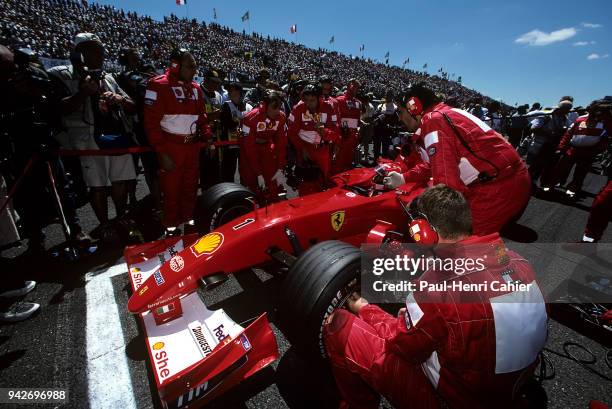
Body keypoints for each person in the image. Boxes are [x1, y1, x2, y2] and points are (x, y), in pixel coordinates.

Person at [324, 184, 548, 409]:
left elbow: (401, 345)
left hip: (456, 400)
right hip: (509, 391)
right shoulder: (519, 262)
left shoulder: (438, 287)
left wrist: (365, 308)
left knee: (340, 326)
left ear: (424, 232)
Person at [383, 83, 531, 235]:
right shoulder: (444, 113)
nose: (399, 118)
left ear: (414, 107)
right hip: (507, 179)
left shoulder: (434, 120)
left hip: (497, 187)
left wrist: (420, 204)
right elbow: (433, 165)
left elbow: (446, 185)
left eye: (400, 112)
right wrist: (403, 177)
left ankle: (497, 258)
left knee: (459, 245)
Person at [48, 33, 137, 239]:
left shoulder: (109, 77)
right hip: (88, 138)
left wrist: (118, 99)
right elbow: (59, 109)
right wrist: (84, 93)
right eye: (91, 50)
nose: (99, 54)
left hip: (117, 136)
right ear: (78, 53)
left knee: (120, 181)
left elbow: (132, 106)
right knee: (98, 186)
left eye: (100, 49)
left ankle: (121, 216)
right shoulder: (63, 75)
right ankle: (105, 225)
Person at [144, 48, 211, 236]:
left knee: (190, 189)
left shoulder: (196, 88)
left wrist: (207, 134)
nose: (194, 71)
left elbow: (202, 117)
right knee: (171, 192)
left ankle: (189, 225)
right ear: (175, 65)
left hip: (192, 147)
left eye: (195, 67)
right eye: (191, 67)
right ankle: (171, 229)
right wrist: (161, 153)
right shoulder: (157, 85)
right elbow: (151, 124)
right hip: (171, 148)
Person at [287, 83, 340, 195]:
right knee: (306, 184)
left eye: (312, 100)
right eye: (306, 100)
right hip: (305, 151)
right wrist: (302, 149)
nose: (309, 103)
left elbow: (335, 132)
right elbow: (291, 132)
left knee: (324, 181)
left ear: (319, 98)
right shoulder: (298, 108)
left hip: (322, 150)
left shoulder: (329, 108)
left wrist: (324, 131)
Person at [552, 99, 612, 197]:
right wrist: (561, 147)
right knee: (561, 168)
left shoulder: (605, 122)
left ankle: (572, 190)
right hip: (573, 149)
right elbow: (568, 134)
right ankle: (551, 185)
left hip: (589, 152)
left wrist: (598, 150)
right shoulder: (580, 119)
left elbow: (606, 138)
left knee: (581, 173)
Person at [239, 90, 287, 199]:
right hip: (249, 150)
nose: (277, 111)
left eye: (279, 107)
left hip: (267, 146)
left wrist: (280, 167)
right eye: (274, 107)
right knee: (251, 181)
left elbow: (281, 143)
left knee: (272, 179)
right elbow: (249, 148)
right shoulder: (250, 118)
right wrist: (258, 173)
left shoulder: (281, 117)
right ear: (265, 106)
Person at [525, 99, 572, 189]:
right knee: (534, 166)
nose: (568, 112)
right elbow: (533, 128)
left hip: (552, 147)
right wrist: (550, 133)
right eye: (566, 109)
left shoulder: (565, 119)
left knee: (545, 167)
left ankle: (535, 184)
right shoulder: (546, 116)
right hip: (541, 145)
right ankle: (526, 183)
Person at [219, 82, 252, 183]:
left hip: (245, 144)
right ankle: (229, 190)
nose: (231, 93)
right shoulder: (226, 105)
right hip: (231, 144)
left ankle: (246, 188)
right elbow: (227, 123)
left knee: (246, 170)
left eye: (234, 90)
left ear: (240, 92)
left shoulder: (249, 107)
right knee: (229, 170)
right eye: (229, 91)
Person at [334, 79, 362, 172]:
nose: (355, 89)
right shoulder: (338, 100)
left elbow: (358, 120)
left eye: (357, 87)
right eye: (353, 86)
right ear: (347, 86)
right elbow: (335, 119)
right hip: (341, 136)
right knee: (338, 160)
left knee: (349, 160)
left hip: (353, 137)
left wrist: (358, 131)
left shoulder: (358, 103)